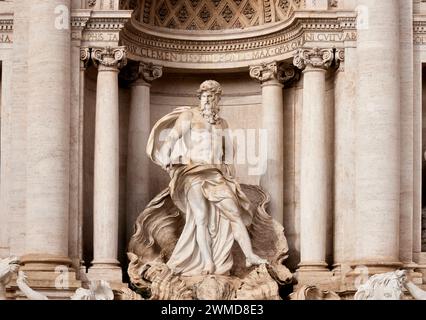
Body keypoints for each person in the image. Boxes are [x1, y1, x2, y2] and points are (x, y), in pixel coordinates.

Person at [146, 80, 267, 276]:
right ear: (199, 98)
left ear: (218, 99)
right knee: (200, 218)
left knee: (234, 212)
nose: (209, 100)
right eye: (205, 96)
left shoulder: (222, 123)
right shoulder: (189, 116)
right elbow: (171, 138)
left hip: (216, 174)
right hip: (193, 172)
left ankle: (250, 255)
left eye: (213, 96)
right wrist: (165, 157)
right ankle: (208, 263)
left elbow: (228, 154)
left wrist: (231, 176)